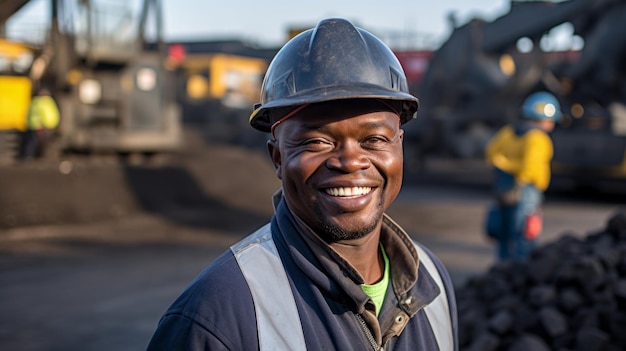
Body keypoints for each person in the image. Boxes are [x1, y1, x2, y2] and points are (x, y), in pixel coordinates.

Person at [147, 18, 458, 351]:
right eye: (316, 142)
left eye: (374, 139)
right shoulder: (220, 315)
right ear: (277, 158)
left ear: (400, 145)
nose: (350, 161)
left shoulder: (432, 282)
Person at [485, 91, 562, 260]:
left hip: (504, 188)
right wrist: (521, 179)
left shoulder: (508, 132)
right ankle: (521, 270)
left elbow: (491, 153)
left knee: (504, 232)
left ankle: (503, 268)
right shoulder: (538, 138)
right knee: (525, 234)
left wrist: (504, 164)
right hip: (526, 190)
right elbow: (531, 165)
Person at [20, 87, 60, 160]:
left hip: (45, 126)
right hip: (39, 126)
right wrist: (41, 124)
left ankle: (37, 157)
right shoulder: (39, 102)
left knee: (41, 143)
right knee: (34, 143)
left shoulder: (46, 101)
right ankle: (29, 157)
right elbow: (40, 114)